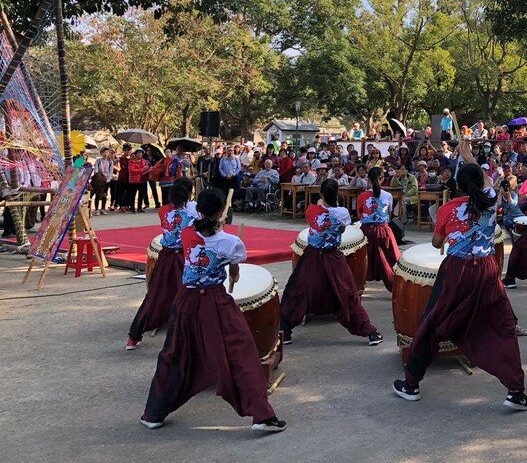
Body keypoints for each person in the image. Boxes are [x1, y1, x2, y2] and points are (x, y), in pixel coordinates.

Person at [140, 188, 286, 433]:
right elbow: (235, 267)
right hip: (215, 303)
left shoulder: (187, 233)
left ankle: (153, 413)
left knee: (173, 355)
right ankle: (262, 416)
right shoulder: (230, 242)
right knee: (241, 354)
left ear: (199, 210)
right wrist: (233, 265)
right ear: (221, 212)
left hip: (185, 301)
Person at [393, 163, 527, 410]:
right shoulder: (491, 200)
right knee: (502, 328)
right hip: (487, 270)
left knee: (431, 323)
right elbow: (488, 182)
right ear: (481, 183)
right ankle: (515, 391)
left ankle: (411, 384)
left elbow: (437, 241)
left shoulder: (448, 208)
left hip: (457, 271)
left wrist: (445, 226)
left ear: (457, 184)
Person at [279, 178, 383, 347]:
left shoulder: (312, 209)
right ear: (337, 194)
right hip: (333, 257)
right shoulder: (342, 213)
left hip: (312, 257)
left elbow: (311, 220)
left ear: (321, 193)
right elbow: (342, 228)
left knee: (296, 290)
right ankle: (369, 331)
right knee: (348, 293)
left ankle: (285, 331)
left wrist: (321, 203)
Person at [126, 178, 197, 349]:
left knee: (156, 294)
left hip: (166, 256)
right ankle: (187, 336)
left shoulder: (163, 210)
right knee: (188, 295)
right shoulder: (193, 211)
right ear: (188, 193)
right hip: (183, 258)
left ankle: (134, 337)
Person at [357, 167, 400, 291]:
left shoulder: (362, 196)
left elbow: (360, 214)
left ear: (368, 180)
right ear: (382, 180)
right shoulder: (388, 196)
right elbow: (390, 214)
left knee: (364, 259)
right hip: (383, 230)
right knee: (391, 260)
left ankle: (360, 284)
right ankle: (395, 286)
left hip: (366, 231)